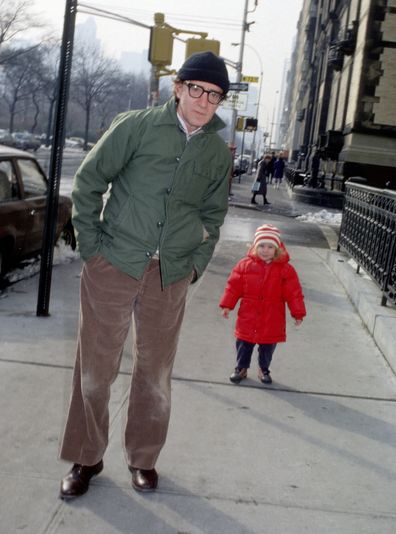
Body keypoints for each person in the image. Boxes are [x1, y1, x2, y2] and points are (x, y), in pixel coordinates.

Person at [59, 51, 231, 499]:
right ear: (178, 88)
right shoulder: (136, 126)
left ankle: (143, 459)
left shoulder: (216, 151)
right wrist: (92, 248)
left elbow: (214, 215)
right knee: (95, 371)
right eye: (196, 89)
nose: (204, 100)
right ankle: (86, 456)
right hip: (114, 263)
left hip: (168, 274)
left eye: (214, 95)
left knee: (155, 374)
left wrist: (195, 265)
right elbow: (89, 181)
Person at [219, 224, 306, 385]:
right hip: (248, 314)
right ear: (254, 246)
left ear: (277, 249)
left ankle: (263, 369)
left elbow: (294, 294)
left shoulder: (285, 270)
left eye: (270, 247)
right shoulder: (244, 265)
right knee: (244, 343)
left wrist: (298, 313)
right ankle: (241, 367)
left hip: (272, 316)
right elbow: (233, 287)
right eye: (261, 246)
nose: (265, 250)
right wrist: (227, 305)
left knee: (267, 345)